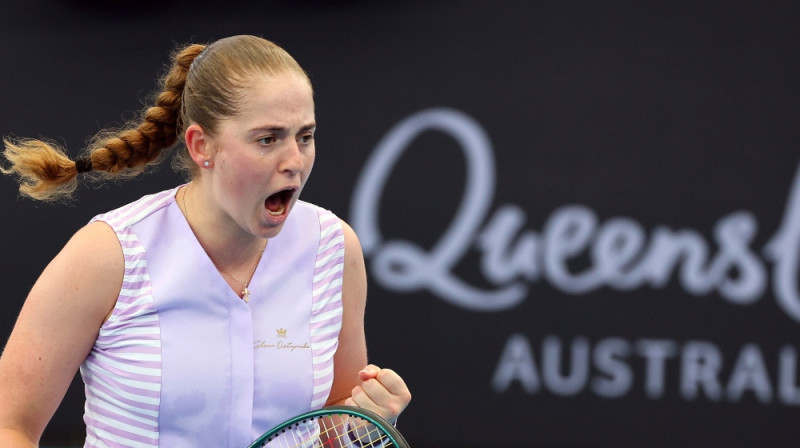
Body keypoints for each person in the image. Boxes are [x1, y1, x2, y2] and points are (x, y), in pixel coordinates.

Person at [0, 35, 411, 447]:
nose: (295, 163)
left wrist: (363, 421)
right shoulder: (107, 255)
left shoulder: (335, 249)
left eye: (305, 136)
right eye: (267, 139)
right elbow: (9, 426)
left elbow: (330, 418)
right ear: (202, 146)